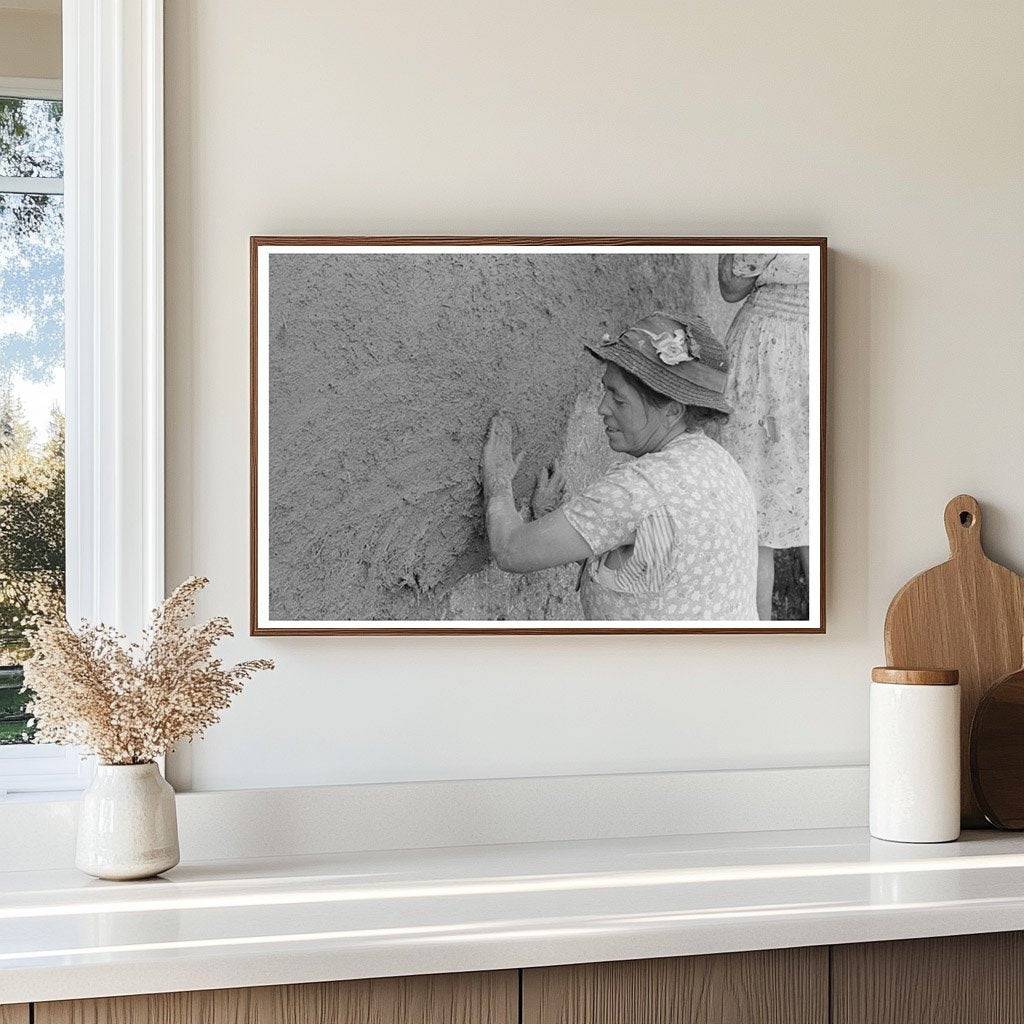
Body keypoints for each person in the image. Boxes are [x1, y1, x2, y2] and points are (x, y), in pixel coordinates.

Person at [481, 312, 758, 621]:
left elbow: (509, 550)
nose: (602, 408)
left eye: (618, 399)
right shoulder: (719, 464)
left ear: (672, 411)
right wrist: (551, 519)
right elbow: (650, 568)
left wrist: (497, 484)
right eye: (605, 390)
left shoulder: (638, 489)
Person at [717, 254, 810, 620]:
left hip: (768, 344)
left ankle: (757, 632)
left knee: (754, 499)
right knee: (805, 498)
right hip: (805, 343)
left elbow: (732, 285)